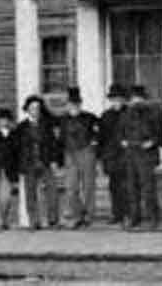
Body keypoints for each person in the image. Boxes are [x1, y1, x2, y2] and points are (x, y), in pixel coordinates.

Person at [119, 84, 162, 229]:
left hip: (146, 155)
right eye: (133, 99)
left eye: (139, 98)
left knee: (148, 187)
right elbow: (120, 132)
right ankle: (134, 217)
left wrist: (152, 142)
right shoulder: (125, 114)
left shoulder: (153, 113)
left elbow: (159, 133)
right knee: (132, 187)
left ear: (144, 99)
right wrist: (123, 141)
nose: (136, 101)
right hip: (131, 154)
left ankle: (152, 218)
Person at [59, 86, 100, 229]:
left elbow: (98, 135)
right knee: (71, 187)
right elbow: (60, 139)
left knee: (88, 186)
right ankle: (75, 216)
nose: (73, 107)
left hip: (86, 153)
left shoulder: (90, 118)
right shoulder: (62, 120)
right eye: (71, 104)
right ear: (67, 105)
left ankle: (89, 215)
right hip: (70, 155)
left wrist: (94, 145)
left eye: (76, 104)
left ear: (80, 105)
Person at [15, 95, 55, 229]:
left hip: (44, 162)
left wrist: (54, 160)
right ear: (27, 110)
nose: (35, 111)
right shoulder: (21, 128)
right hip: (28, 164)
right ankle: (33, 221)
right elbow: (17, 148)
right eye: (32, 108)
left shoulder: (47, 126)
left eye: (37, 108)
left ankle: (50, 220)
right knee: (30, 193)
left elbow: (53, 144)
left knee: (51, 191)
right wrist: (20, 166)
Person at [99, 83, 129, 224]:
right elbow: (101, 138)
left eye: (119, 99)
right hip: (111, 156)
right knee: (114, 186)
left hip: (126, 155)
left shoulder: (129, 113)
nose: (117, 102)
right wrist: (102, 157)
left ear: (124, 100)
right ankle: (116, 215)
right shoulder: (106, 116)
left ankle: (128, 214)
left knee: (127, 185)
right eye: (114, 99)